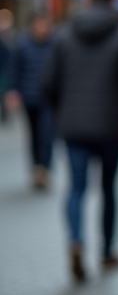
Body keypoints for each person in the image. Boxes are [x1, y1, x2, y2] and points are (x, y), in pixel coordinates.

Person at [41, 0, 118, 282]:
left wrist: (62, 112)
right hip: (112, 126)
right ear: (113, 2)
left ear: (88, 0)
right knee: (108, 190)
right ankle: (107, 252)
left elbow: (48, 83)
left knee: (76, 188)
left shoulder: (64, 36)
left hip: (74, 125)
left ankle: (76, 241)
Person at [5, 12, 57, 189]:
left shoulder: (55, 45)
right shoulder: (22, 45)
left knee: (47, 134)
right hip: (29, 97)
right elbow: (14, 69)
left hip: (49, 98)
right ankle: (36, 167)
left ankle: (44, 168)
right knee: (34, 135)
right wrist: (12, 91)